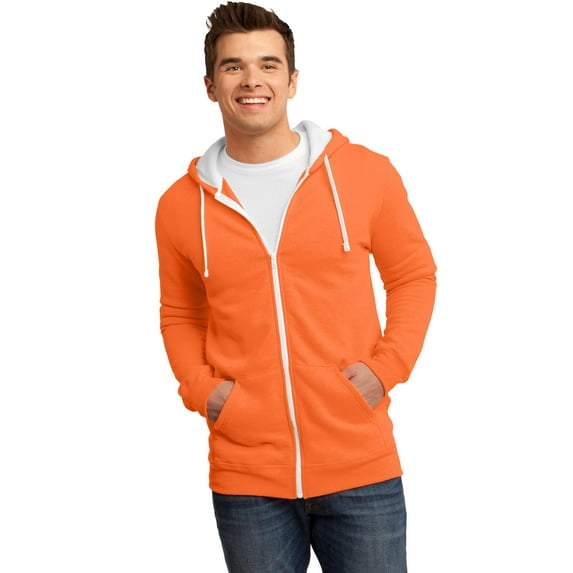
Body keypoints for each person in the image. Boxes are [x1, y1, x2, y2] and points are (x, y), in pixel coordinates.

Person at [155, 2, 436, 571]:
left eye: (268, 64)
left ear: (292, 80)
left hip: (360, 464)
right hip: (247, 476)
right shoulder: (180, 205)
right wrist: (203, 392)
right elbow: (181, 312)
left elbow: (412, 275)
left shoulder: (364, 173)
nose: (251, 79)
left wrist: (387, 369)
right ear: (210, 86)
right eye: (233, 66)